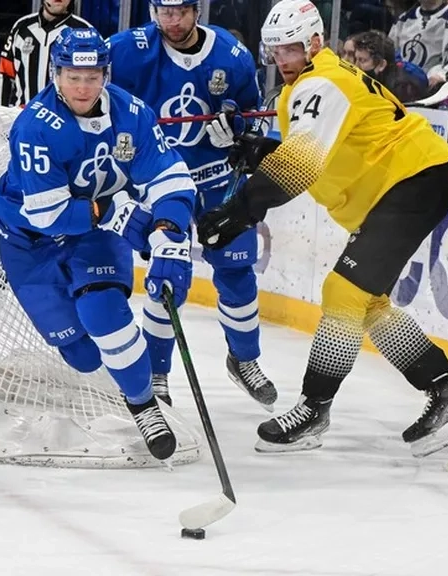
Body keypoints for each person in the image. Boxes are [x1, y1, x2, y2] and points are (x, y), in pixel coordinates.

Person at [197, 0, 448, 456]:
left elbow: (302, 164)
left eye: (291, 48)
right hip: (409, 184)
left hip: (410, 183)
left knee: (342, 292)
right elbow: (328, 146)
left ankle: (314, 409)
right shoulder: (322, 78)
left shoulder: (320, 82)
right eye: (275, 50)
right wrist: (259, 152)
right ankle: (446, 391)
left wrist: (238, 211)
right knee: (368, 303)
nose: (282, 59)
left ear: (315, 42)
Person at [0, 28, 196, 461]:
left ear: (106, 74)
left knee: (104, 311)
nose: (83, 87)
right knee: (82, 356)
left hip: (92, 234)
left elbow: (170, 177)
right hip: (29, 242)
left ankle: (143, 404)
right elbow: (48, 215)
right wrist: (113, 210)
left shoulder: (132, 113)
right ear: (56, 75)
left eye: (92, 77)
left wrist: (169, 231)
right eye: (73, 77)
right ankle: (128, 371)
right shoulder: (35, 126)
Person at [107, 0, 275, 410]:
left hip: (218, 179)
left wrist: (237, 133)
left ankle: (244, 359)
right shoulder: (126, 50)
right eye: (164, 12)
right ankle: (157, 372)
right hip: (162, 184)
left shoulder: (231, 55)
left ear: (196, 10)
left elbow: (255, 118)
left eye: (181, 11)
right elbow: (89, 92)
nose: (173, 21)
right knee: (169, 275)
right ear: (153, 11)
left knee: (237, 271)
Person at [0, 0, 92, 107]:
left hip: (66, 115)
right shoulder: (21, 27)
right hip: (25, 114)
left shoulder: (85, 32)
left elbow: (95, 82)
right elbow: (5, 75)